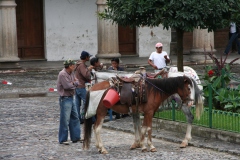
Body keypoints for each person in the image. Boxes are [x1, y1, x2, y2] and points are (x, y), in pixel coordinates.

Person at [57, 59, 81, 145]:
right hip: (65, 98)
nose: (74, 67)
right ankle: (63, 139)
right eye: (73, 65)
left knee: (75, 117)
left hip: (71, 97)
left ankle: (76, 137)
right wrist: (74, 83)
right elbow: (67, 86)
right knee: (65, 119)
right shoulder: (63, 74)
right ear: (70, 66)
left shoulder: (71, 73)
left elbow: (77, 81)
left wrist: (73, 83)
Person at [74, 51, 93, 124]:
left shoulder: (78, 64)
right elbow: (86, 75)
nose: (89, 58)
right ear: (86, 57)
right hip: (81, 86)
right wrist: (89, 69)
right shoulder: (81, 65)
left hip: (77, 86)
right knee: (86, 101)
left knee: (77, 103)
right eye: (88, 57)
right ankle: (84, 117)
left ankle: (78, 118)